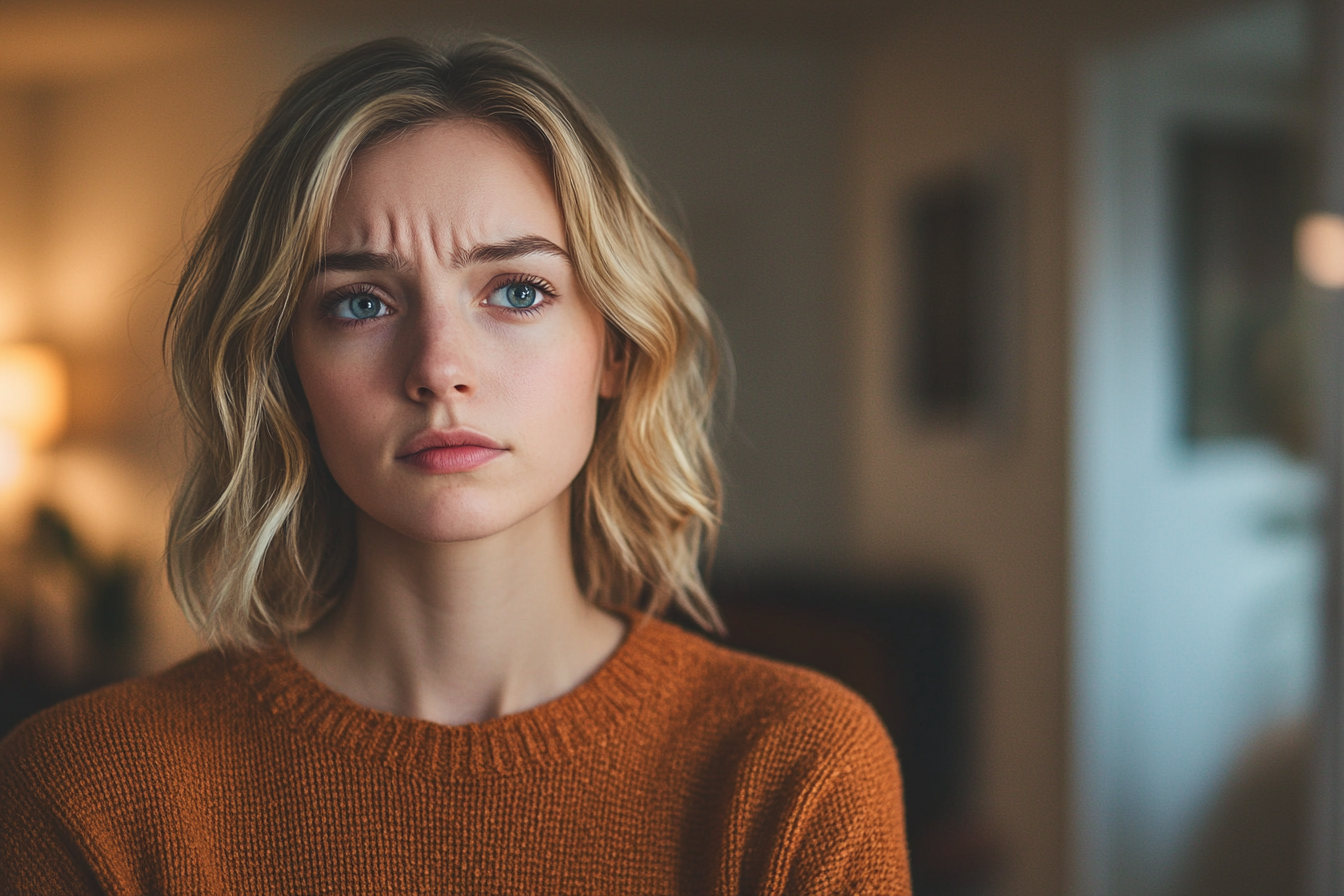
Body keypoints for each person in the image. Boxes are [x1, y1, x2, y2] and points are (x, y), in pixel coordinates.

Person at [0, 37, 910, 894]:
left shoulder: (796, 767)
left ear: (616, 348)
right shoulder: (86, 793)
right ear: (285, 369)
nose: (439, 367)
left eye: (518, 291)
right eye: (360, 302)